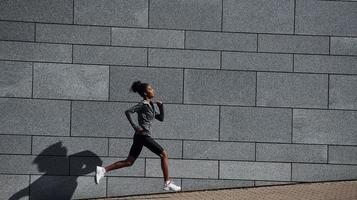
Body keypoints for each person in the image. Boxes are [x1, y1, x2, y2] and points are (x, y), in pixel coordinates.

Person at [95, 80, 181, 192]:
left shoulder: (151, 105)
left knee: (129, 162)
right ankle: (167, 182)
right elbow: (128, 112)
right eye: (150, 89)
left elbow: (160, 118)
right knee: (164, 154)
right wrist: (135, 127)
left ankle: (103, 170)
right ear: (145, 93)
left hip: (140, 137)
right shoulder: (143, 104)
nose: (153, 90)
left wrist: (161, 107)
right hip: (143, 135)